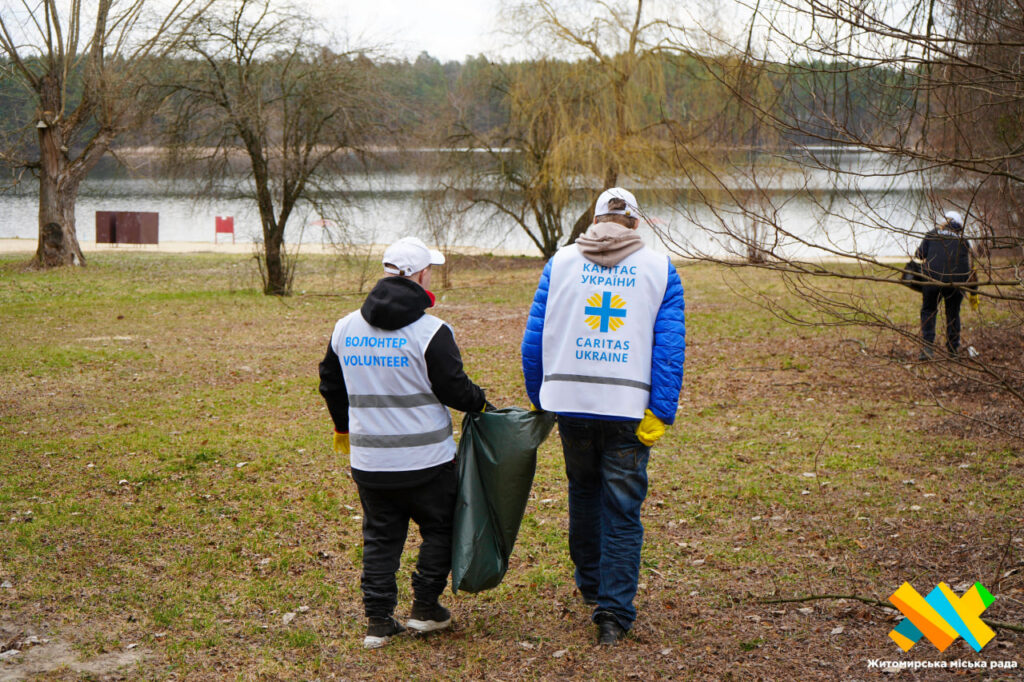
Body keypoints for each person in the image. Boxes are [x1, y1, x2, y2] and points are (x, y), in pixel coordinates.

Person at [521, 188, 686, 645]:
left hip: (571, 401)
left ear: (593, 221)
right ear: (635, 222)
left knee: (584, 491)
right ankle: (612, 613)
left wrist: (539, 397)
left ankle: (591, 584)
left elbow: (535, 337)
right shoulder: (660, 268)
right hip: (629, 410)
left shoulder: (560, 263)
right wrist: (662, 410)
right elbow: (669, 348)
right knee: (622, 509)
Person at [318, 236, 488, 649]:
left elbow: (330, 384)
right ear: (421, 275)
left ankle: (378, 622)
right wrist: (482, 404)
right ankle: (425, 608)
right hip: (428, 461)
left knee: (380, 538)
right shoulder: (432, 332)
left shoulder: (345, 328)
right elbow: (455, 388)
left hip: (371, 462)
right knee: (442, 529)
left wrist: (343, 429)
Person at [915, 210, 974, 359]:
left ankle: (928, 348)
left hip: (932, 279)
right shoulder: (964, 240)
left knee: (929, 310)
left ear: (944, 222)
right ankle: (953, 349)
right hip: (956, 282)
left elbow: (919, 255)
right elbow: (968, 265)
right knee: (953, 313)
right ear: (959, 226)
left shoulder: (932, 234)